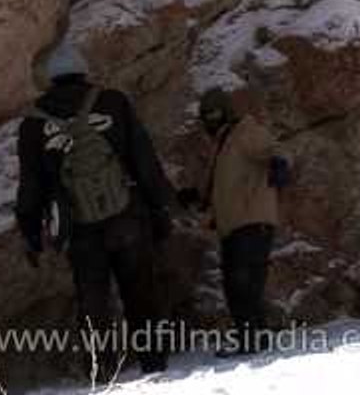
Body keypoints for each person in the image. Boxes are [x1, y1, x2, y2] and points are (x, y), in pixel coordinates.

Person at [15, 40, 177, 377]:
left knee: (93, 300)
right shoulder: (112, 102)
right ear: (83, 70)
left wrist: (31, 233)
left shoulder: (33, 124)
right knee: (140, 292)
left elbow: (31, 185)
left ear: (51, 78)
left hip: (79, 226)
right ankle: (154, 364)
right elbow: (144, 159)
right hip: (127, 215)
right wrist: (162, 208)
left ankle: (102, 370)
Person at [178, 87, 292, 356]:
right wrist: (195, 195)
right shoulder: (222, 144)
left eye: (214, 114)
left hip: (252, 221)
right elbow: (220, 186)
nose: (210, 120)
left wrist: (280, 163)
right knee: (240, 286)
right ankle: (255, 340)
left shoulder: (244, 132)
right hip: (235, 226)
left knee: (241, 284)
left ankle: (251, 341)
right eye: (206, 116)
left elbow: (277, 148)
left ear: (226, 112)